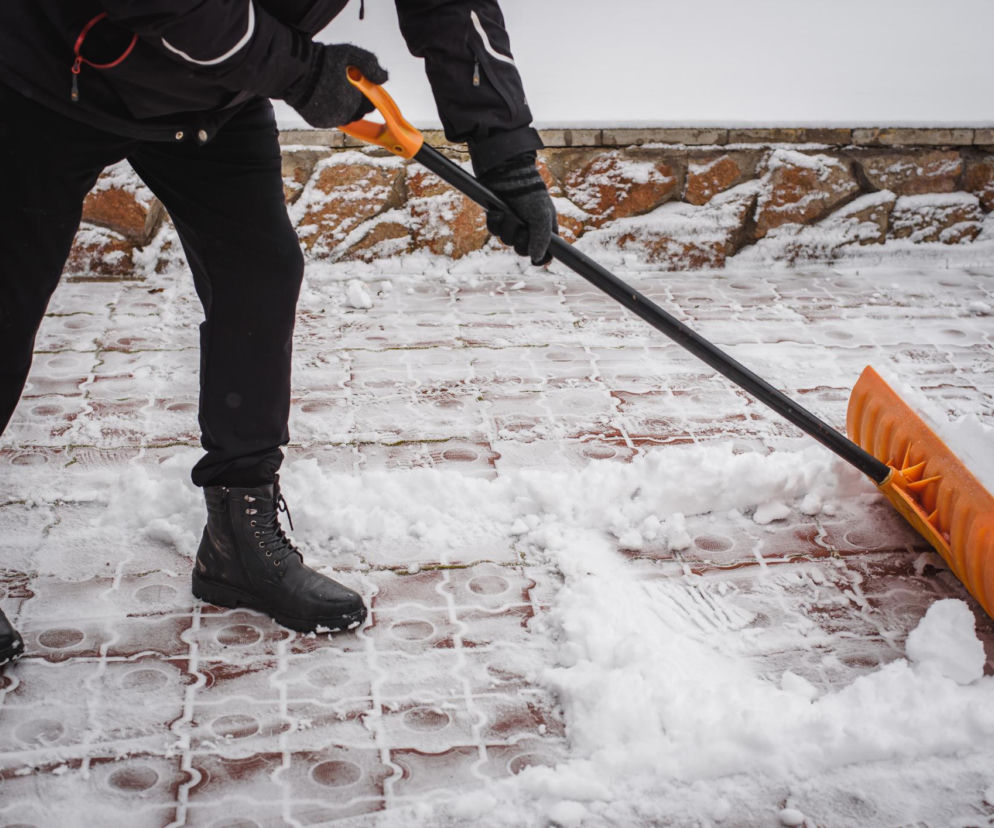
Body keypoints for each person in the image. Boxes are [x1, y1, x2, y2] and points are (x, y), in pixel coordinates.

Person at [0, 0, 557, 666]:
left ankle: (239, 540)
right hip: (50, 82)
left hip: (212, 98)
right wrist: (301, 71)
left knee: (258, 275)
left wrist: (506, 155)